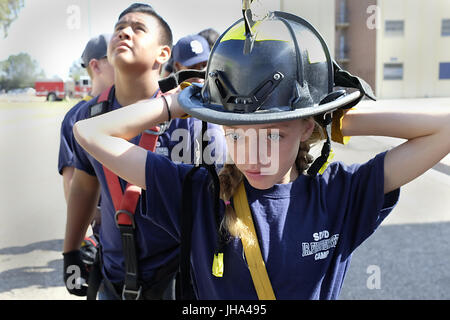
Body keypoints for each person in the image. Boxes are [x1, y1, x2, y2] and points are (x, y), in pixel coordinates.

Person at [72, 12, 450, 300]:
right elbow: (89, 131)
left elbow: (444, 128)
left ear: (305, 128)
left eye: (272, 135)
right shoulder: (198, 195)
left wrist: (332, 118)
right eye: (235, 134)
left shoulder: (339, 195)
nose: (252, 155)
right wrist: (175, 103)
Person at [62, 3, 225, 300]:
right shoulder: (87, 117)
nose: (124, 31)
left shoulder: (191, 119)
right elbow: (84, 186)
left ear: (163, 54)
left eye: (138, 29)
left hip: (177, 280)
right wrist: (70, 251)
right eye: (119, 28)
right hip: (112, 277)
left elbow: (220, 202)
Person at [58, 34, 114, 203]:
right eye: (114, 56)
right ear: (95, 66)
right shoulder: (74, 117)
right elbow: (72, 183)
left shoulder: (131, 106)